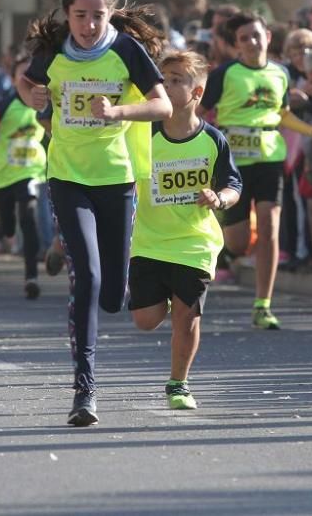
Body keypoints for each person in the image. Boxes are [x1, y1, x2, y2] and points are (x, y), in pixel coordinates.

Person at [19, 0, 172, 426]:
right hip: (67, 176)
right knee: (85, 277)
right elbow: (26, 85)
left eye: (98, 15)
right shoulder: (53, 51)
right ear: (67, 14)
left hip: (117, 179)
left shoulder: (126, 49)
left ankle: (92, 260)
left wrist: (121, 111)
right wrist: (34, 95)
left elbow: (162, 104)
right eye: (80, 15)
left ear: (111, 13)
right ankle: (84, 389)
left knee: (113, 296)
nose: (88, 25)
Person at [201, 11, 312, 330]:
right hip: (233, 164)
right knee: (238, 242)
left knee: (271, 227)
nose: (252, 42)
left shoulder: (280, 73)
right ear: (236, 45)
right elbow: (202, 111)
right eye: (244, 39)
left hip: (270, 159)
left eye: (257, 35)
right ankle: (223, 248)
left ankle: (263, 305)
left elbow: (282, 114)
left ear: (268, 38)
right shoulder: (225, 74)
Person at [129, 50, 242, 410]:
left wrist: (219, 198)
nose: (166, 84)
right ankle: (163, 295)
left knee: (187, 317)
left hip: (195, 243)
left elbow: (233, 186)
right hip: (148, 240)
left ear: (197, 92)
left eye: (176, 79)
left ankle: (179, 384)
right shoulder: (144, 136)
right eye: (163, 78)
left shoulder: (213, 140)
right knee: (145, 320)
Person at [0, 56, 45, 300]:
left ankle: (31, 276)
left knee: (28, 217)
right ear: (13, 80)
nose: (29, 81)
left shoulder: (45, 105)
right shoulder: (3, 106)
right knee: (7, 226)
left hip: (31, 171)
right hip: (1, 175)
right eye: (22, 76)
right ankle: (1, 221)